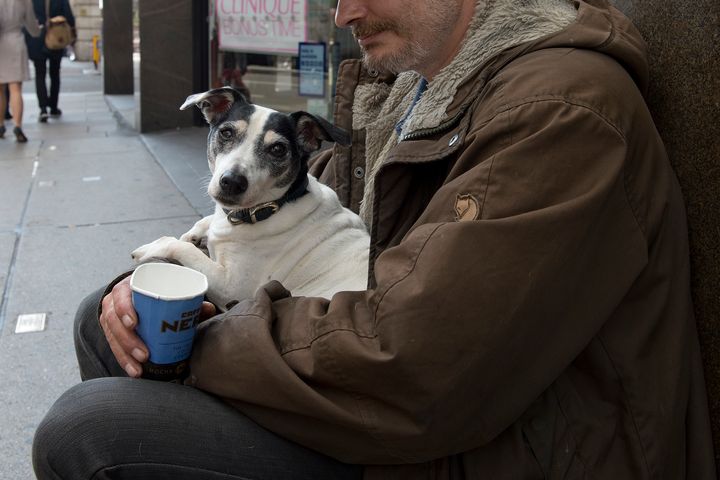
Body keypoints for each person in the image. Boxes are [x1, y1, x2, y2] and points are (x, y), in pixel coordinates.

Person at [32, 0, 717, 478]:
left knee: (88, 430)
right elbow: (306, 210)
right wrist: (173, 294)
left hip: (496, 449)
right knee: (107, 316)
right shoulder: (414, 88)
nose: (343, 14)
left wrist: (197, 342)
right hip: (399, 395)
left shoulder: (559, 111)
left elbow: (415, 361)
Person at [24, 0, 74, 123]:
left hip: (36, 37)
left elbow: (26, 17)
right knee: (55, 73)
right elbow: (69, 17)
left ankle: (43, 108)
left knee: (40, 74)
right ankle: (53, 106)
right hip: (56, 36)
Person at [0, 0, 40, 142]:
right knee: (15, 88)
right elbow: (32, 25)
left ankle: (0, 125)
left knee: (0, 89)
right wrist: (37, 31)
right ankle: (17, 125)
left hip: (1, 44)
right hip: (16, 41)